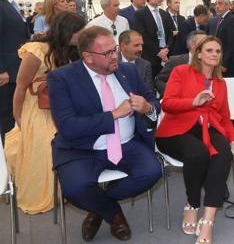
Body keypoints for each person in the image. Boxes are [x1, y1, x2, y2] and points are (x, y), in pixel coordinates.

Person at [48, 26, 161, 242]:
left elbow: (152, 99)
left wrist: (147, 107)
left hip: (127, 144)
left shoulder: (128, 71)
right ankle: (114, 214)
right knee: (75, 188)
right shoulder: (61, 78)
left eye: (115, 49)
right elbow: (68, 127)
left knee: (152, 172)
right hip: (82, 148)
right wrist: (113, 115)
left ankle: (99, 207)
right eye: (107, 52)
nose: (115, 56)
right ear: (88, 57)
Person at [156, 36, 234, 243]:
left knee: (223, 155)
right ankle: (192, 205)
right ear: (199, 53)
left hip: (207, 128)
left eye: (218, 51)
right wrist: (193, 102)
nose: (214, 54)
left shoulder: (220, 83)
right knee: (198, 154)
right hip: (176, 129)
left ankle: (208, 220)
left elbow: (226, 117)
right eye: (209, 50)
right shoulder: (181, 71)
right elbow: (167, 104)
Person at [4, 12, 85, 214]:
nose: (83, 34)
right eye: (78, 31)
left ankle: (67, 191)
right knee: (46, 143)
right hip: (37, 107)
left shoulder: (74, 50)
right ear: (66, 31)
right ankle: (47, 194)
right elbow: (21, 86)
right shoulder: (37, 50)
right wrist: (18, 117)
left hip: (64, 105)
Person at [0, 0, 30, 142]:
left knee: (12, 118)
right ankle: (9, 162)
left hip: (15, 72)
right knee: (7, 120)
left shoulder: (9, 5)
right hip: (7, 75)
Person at [133, 0, 175, 78]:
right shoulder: (140, 14)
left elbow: (171, 33)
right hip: (150, 57)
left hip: (167, 54)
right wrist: (158, 52)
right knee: (150, 84)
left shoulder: (164, 14)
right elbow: (142, 36)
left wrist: (167, 48)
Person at [156, 31, 207, 97]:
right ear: (192, 44)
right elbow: (159, 80)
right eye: (204, 42)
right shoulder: (175, 61)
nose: (207, 45)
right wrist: (172, 93)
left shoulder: (210, 62)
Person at [208, 0, 234, 78]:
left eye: (220, 4)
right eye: (215, 4)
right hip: (216, 59)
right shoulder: (217, 19)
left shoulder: (232, 19)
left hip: (226, 64)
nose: (217, 6)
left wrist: (224, 64)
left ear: (227, 6)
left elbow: (232, 44)